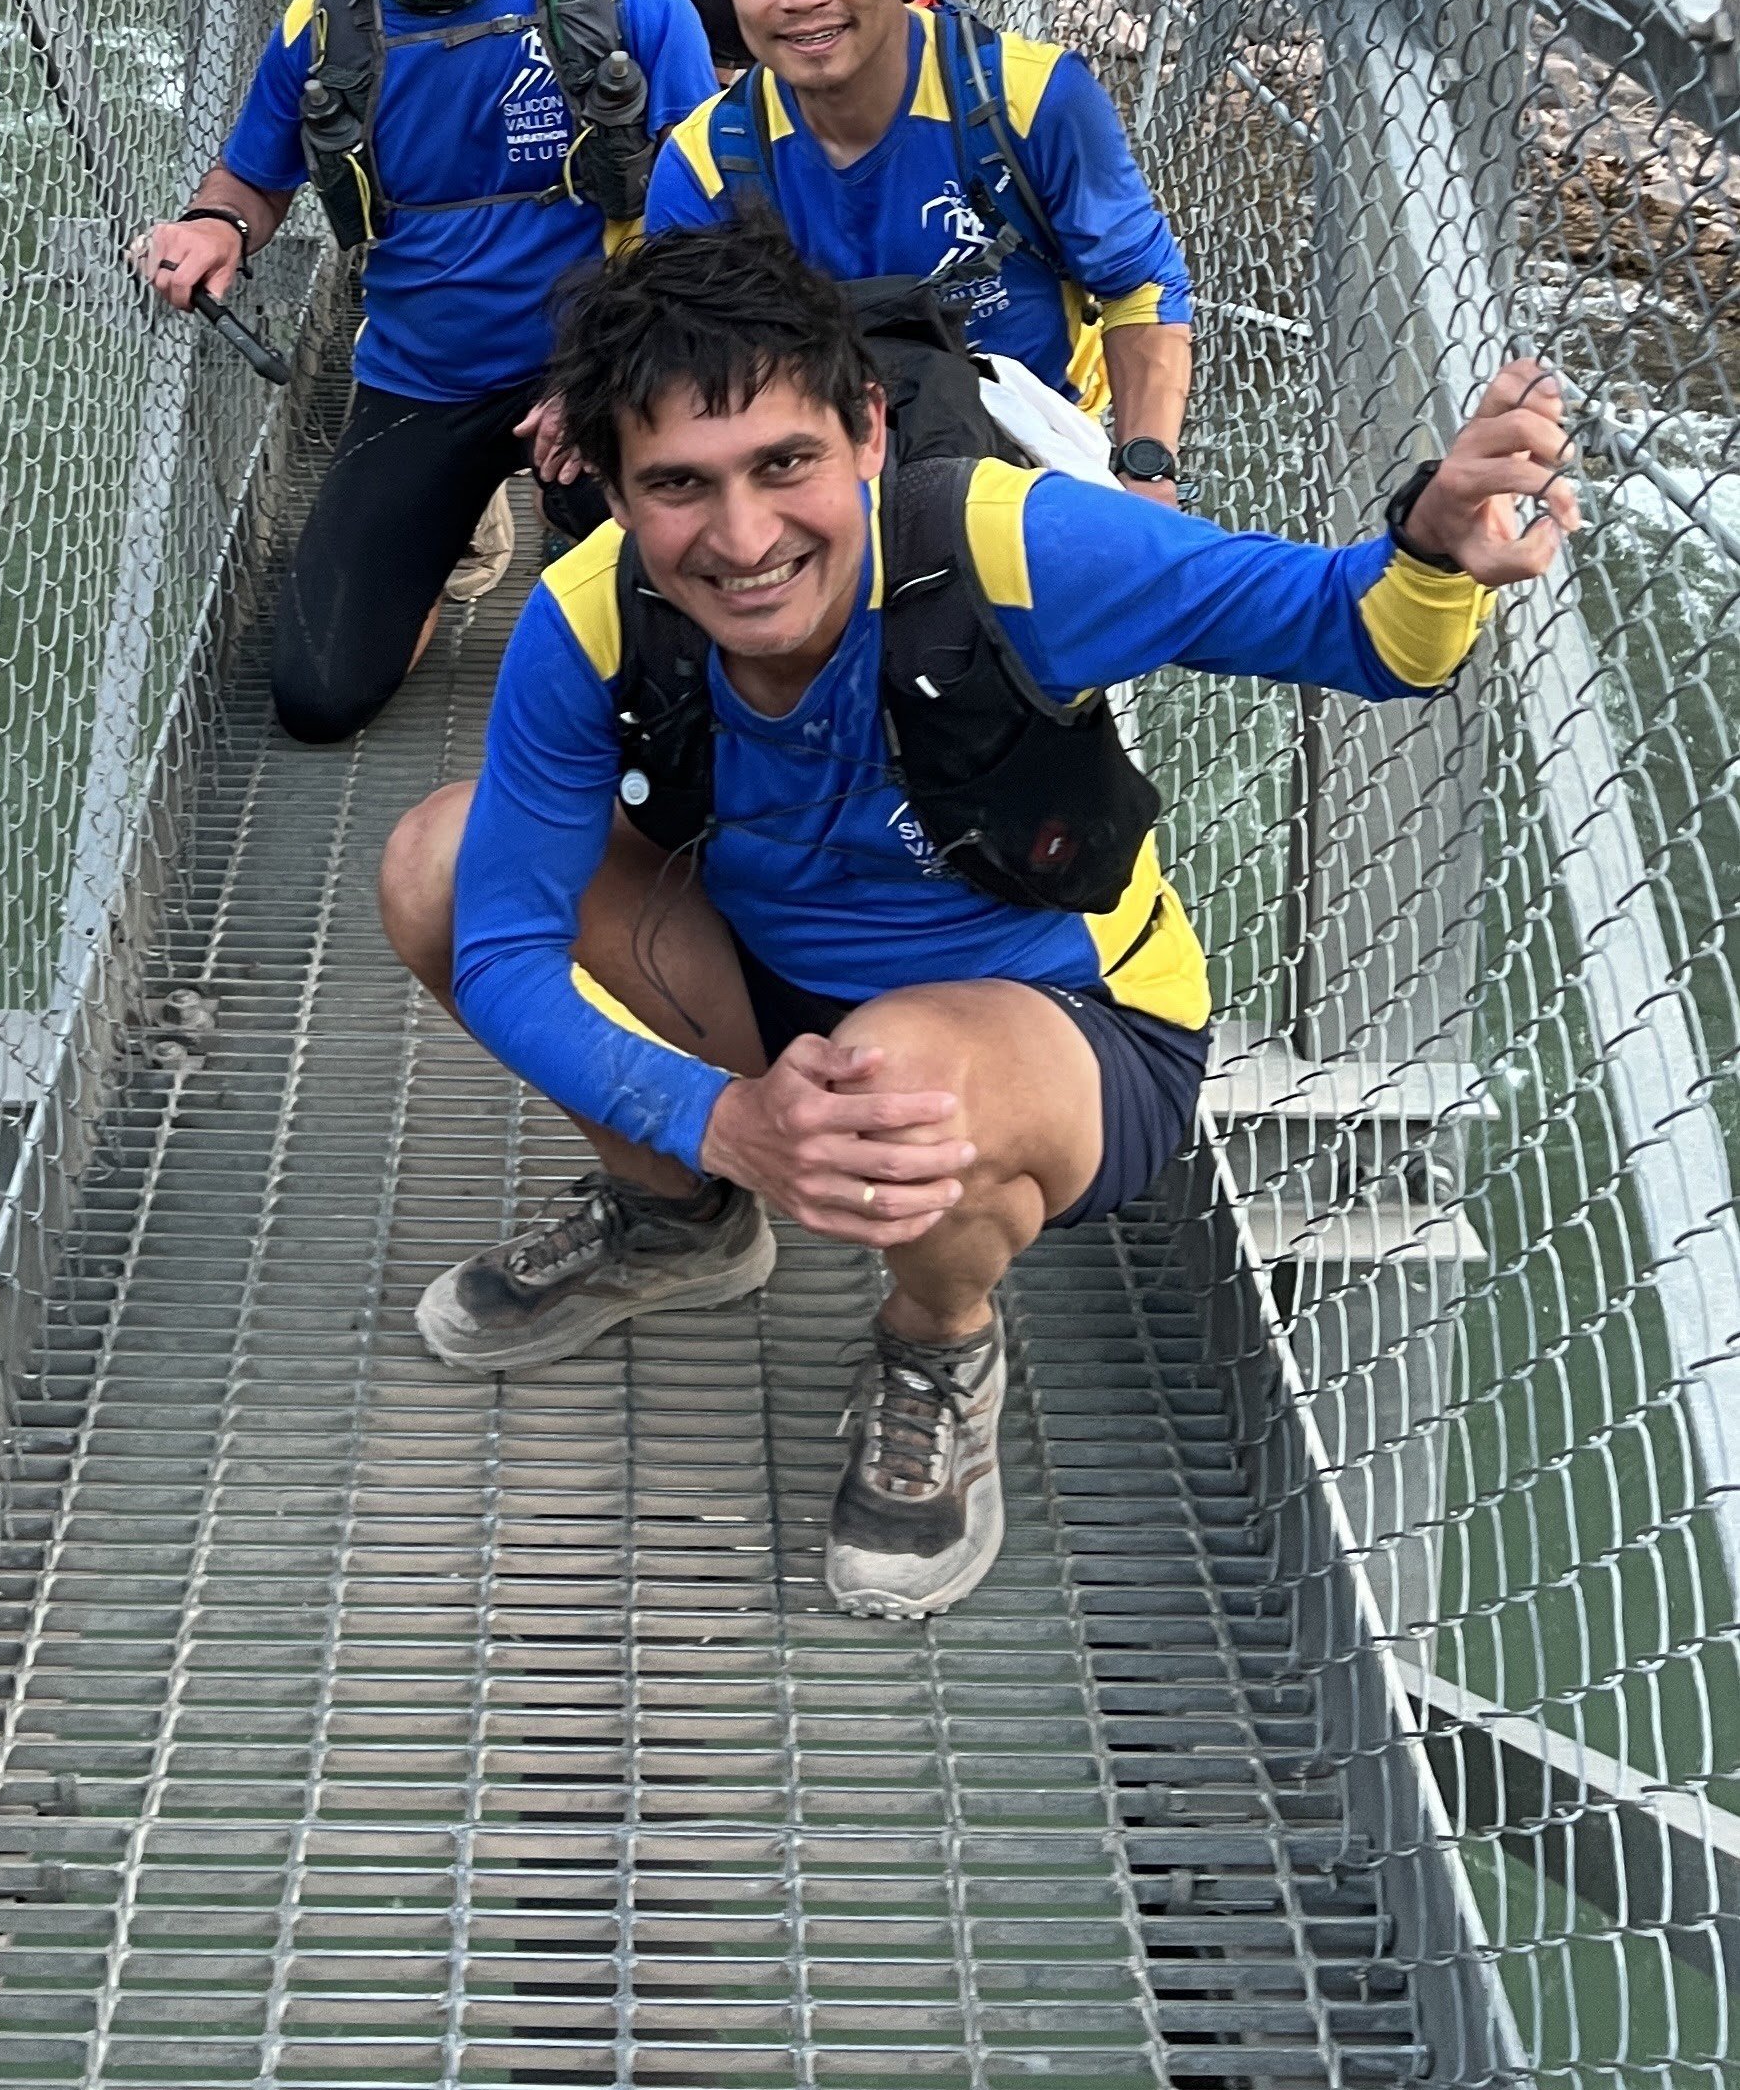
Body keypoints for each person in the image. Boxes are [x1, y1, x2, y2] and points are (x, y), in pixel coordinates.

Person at [378, 223, 1577, 1619]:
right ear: (618, 497)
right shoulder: (589, 616)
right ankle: (677, 1220)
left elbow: (1356, 631)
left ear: (869, 436)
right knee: (437, 863)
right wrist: (714, 1121)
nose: (747, 538)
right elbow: (503, 946)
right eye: (680, 488)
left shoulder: (1011, 546)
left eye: (786, 464)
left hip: (1058, 1025)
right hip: (766, 976)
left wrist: (1431, 542)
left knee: (898, 1071)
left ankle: (938, 1342)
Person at [138, 0, 715, 743]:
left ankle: (579, 549)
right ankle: (440, 555)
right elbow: (251, 180)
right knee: (319, 697)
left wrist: (623, 375)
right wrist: (216, 226)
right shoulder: (327, 26)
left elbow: (708, 200)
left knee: (658, 693)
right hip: (422, 373)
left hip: (600, 372)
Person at [649, 0, 1192, 485]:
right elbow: (687, 368)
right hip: (819, 481)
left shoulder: (1031, 101)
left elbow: (1140, 286)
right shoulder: (704, 166)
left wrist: (1145, 473)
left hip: (1024, 467)